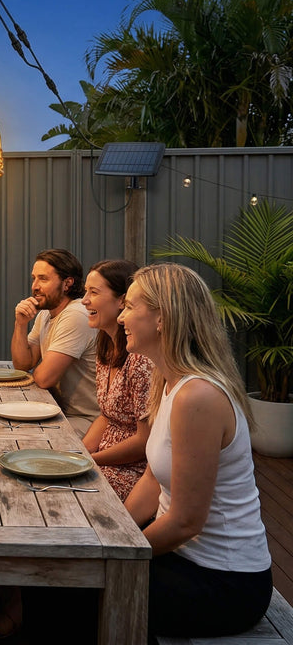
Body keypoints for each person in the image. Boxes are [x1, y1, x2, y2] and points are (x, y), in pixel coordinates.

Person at [121, 263, 272, 639]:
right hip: (183, 558)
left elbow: (187, 521)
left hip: (224, 580)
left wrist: (117, 553)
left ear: (161, 318)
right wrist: (115, 531)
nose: (121, 316)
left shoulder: (198, 396)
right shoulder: (169, 382)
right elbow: (154, 480)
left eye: (129, 306)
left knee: (72, 595)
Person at [81, 259, 153, 501]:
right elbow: (107, 415)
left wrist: (89, 461)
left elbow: (145, 442)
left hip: (132, 471)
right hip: (103, 459)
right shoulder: (106, 348)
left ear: (122, 300)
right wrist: (79, 453)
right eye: (85, 291)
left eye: (94, 292)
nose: (84, 300)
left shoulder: (140, 358)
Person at [10, 248, 98, 437]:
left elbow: (43, 378)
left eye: (43, 279)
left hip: (86, 419)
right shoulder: (44, 313)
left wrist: (39, 370)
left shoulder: (76, 314)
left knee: (23, 437)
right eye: (34, 278)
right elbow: (23, 364)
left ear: (67, 283)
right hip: (57, 409)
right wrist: (20, 323)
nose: (35, 286)